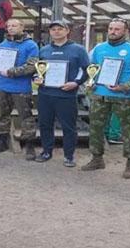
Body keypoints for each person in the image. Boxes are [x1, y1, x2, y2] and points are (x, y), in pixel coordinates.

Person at [81, 18, 130, 179]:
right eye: (111, 28)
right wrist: (91, 83)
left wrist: (124, 87)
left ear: (126, 31)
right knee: (96, 128)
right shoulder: (99, 48)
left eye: (117, 29)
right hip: (100, 94)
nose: (113, 32)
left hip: (123, 96)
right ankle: (97, 158)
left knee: (128, 130)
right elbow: (92, 69)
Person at [33, 20, 89, 167]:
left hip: (66, 95)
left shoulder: (78, 50)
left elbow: (86, 70)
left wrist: (76, 83)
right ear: (50, 32)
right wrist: (36, 78)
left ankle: (69, 156)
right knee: (45, 124)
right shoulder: (44, 50)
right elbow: (36, 70)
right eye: (53, 29)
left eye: (60, 29)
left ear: (67, 31)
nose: (56, 32)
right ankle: (46, 151)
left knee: (68, 127)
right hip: (45, 94)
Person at [0, 19, 39, 159]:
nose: (10, 28)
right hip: (2, 86)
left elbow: (32, 66)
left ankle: (29, 145)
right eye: (8, 26)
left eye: (14, 25)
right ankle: (2, 142)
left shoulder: (31, 45)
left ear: (22, 27)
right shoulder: (2, 44)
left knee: (26, 118)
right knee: (2, 116)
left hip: (21, 88)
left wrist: (12, 72)